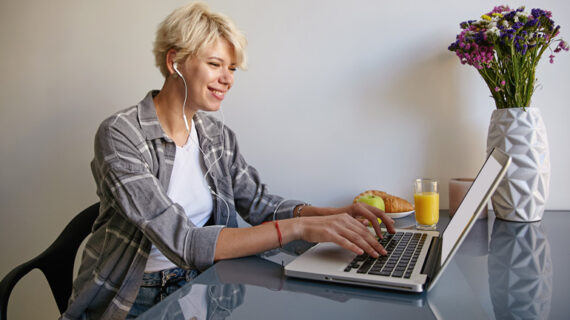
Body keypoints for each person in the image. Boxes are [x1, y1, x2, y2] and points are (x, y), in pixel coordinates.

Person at [61, 2, 395, 319]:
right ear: (174, 61)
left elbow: (260, 204)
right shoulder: (121, 134)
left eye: (232, 68)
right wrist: (301, 227)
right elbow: (184, 241)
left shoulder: (216, 136)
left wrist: (331, 214)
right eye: (215, 64)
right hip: (132, 296)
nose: (228, 79)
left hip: (203, 283)